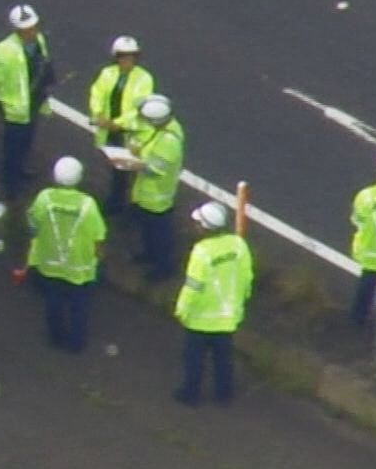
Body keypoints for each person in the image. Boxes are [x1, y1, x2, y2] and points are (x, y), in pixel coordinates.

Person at [173, 201, 253, 405]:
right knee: (224, 359)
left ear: (205, 227)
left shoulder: (201, 252)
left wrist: (181, 309)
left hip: (200, 318)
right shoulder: (238, 245)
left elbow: (193, 287)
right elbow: (246, 277)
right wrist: (242, 300)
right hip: (228, 317)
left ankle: (190, 395)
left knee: (194, 359)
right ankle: (224, 395)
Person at [26, 156, 106, 352]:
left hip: (51, 262)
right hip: (80, 267)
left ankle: (55, 337)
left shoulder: (44, 198)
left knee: (53, 302)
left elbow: (33, 224)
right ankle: (76, 344)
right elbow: (98, 236)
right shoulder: (88, 205)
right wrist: (99, 258)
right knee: (79, 307)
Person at [0, 4, 55, 199]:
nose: (33, 32)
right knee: (12, 147)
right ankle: (10, 183)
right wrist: (3, 99)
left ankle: (21, 170)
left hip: (33, 103)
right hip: (15, 109)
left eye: (34, 27)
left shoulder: (39, 41)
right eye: (28, 29)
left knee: (27, 141)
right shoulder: (5, 50)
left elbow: (43, 63)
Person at [87, 35, 155, 214]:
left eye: (131, 56)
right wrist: (99, 114)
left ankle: (125, 205)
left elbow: (139, 108)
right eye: (123, 56)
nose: (127, 60)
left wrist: (117, 123)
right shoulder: (108, 73)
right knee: (116, 167)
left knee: (129, 170)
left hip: (131, 132)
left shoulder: (144, 79)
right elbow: (97, 93)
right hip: (110, 131)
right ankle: (117, 201)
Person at [127, 94, 185, 282]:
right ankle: (149, 254)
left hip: (158, 195)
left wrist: (135, 164)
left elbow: (156, 169)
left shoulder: (169, 141)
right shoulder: (167, 129)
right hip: (148, 193)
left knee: (160, 234)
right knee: (148, 230)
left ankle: (163, 267)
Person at [349, 151, 376, 329]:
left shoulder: (365, 196)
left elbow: (357, 220)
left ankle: (357, 320)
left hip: (370, 253)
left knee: (366, 287)